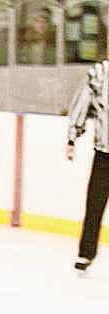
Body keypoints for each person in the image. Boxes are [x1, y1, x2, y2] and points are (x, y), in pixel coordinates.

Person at [67, 58, 109, 273]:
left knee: (94, 203)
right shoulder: (100, 72)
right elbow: (83, 102)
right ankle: (86, 252)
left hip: (104, 151)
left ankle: (85, 253)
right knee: (94, 203)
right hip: (104, 153)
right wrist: (73, 136)